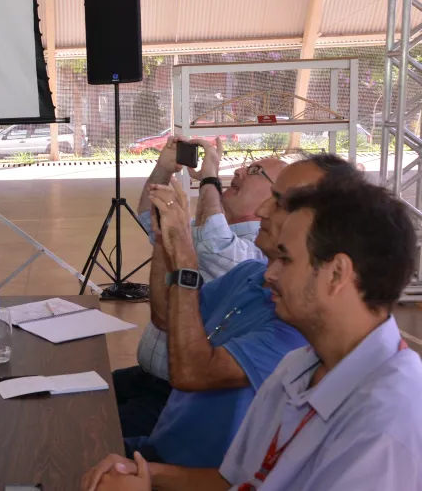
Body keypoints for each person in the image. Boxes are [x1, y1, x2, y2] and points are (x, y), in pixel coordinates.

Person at [82, 173, 422, 491]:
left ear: (336, 274)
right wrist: (145, 474)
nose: (270, 274)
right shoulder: (299, 366)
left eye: (285, 260)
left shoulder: (384, 426)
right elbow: (238, 480)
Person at [121, 154, 358, 469]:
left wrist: (184, 259)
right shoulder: (251, 274)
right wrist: (166, 239)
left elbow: (191, 373)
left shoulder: (301, 324)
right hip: (161, 450)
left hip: (189, 470)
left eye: (280, 203)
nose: (262, 211)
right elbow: (166, 317)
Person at [120, 137, 286, 437]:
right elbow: (150, 217)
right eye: (245, 166)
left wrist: (209, 177)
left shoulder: (255, 252)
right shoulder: (214, 227)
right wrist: (164, 169)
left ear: (277, 198)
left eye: (255, 171)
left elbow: (214, 246)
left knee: (83, 430)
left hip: (175, 398)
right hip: (146, 378)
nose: (239, 172)